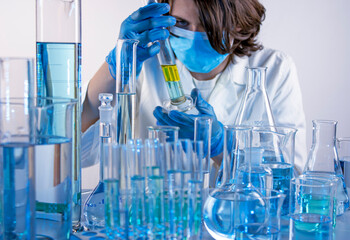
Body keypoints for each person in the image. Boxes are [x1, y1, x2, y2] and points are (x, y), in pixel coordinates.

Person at [81, 0, 306, 177]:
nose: (192, 36)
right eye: (180, 23)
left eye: (207, 25)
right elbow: (78, 152)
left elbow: (291, 181)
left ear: (239, 21)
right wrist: (115, 66)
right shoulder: (145, 61)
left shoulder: (274, 69)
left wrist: (221, 147)